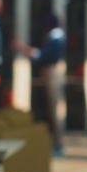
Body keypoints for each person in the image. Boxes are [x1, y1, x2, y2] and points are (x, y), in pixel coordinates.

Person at [16, 13, 67, 156]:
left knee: (55, 110)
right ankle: (56, 144)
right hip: (52, 75)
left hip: (53, 75)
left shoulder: (56, 37)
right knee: (53, 110)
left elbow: (43, 56)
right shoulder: (57, 36)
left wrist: (24, 49)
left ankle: (57, 145)